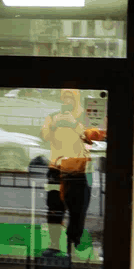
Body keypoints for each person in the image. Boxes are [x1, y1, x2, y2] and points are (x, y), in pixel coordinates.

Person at [40, 89, 105, 255]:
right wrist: (54, 125)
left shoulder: (86, 117)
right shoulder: (53, 116)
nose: (67, 101)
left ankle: (74, 244)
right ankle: (54, 245)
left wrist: (74, 125)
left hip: (81, 170)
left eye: (70, 97)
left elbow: (96, 135)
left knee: (78, 210)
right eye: (64, 97)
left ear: (77, 99)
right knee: (54, 209)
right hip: (57, 168)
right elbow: (44, 136)